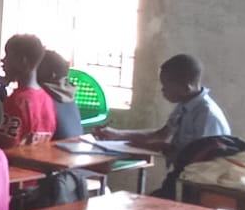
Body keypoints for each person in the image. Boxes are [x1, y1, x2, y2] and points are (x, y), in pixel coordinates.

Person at [97, 53, 230, 155]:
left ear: (186, 88)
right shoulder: (184, 105)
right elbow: (161, 135)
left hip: (202, 181)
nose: (163, 90)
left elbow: (202, 155)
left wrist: (151, 146)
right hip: (183, 173)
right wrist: (117, 135)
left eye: (166, 86)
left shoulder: (207, 115)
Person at [0, 34, 55, 148]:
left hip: (12, 163)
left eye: (7, 56)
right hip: (35, 163)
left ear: (23, 62)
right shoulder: (47, 99)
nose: (3, 61)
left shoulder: (17, 101)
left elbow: (3, 146)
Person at [37, 50, 83, 141]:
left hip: (53, 152)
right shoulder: (67, 93)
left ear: (52, 75)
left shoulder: (43, 96)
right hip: (74, 151)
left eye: (36, 68)